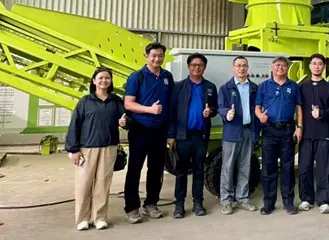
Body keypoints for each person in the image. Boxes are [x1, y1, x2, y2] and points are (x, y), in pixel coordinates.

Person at [65, 67, 127, 231]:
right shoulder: (85, 102)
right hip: (87, 149)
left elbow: (126, 119)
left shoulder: (115, 101)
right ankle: (82, 219)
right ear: (93, 81)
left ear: (111, 81)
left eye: (107, 78)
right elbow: (75, 125)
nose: (104, 81)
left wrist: (124, 122)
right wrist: (73, 149)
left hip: (109, 148)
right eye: (100, 78)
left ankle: (99, 217)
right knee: (83, 184)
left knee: (103, 184)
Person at [123, 42, 174, 223]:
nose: (157, 59)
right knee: (134, 169)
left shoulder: (167, 77)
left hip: (159, 131)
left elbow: (170, 105)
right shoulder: (136, 77)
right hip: (140, 129)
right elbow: (128, 103)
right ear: (146, 56)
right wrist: (149, 110)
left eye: (160, 55)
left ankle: (151, 203)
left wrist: (170, 133)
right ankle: (132, 207)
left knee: (156, 169)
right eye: (153, 55)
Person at [167, 53, 218, 218]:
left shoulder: (210, 87)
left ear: (204, 67)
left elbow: (215, 108)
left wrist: (210, 111)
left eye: (200, 65)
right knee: (181, 172)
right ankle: (179, 206)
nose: (197, 68)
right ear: (188, 67)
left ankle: (198, 203)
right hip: (182, 136)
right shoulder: (178, 87)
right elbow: (171, 113)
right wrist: (171, 135)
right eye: (193, 65)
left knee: (199, 171)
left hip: (200, 137)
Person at [255, 56, 303, 215]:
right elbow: (257, 107)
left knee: (288, 167)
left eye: (283, 65)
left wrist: (299, 127)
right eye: (277, 65)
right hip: (269, 130)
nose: (280, 67)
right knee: (268, 168)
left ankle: (288, 203)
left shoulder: (293, 86)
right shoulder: (264, 86)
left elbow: (299, 109)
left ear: (287, 68)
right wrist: (260, 116)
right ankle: (268, 203)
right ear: (272, 67)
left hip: (287, 130)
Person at [298, 54, 329, 214]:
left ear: (324, 67)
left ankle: (324, 200)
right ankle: (306, 199)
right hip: (306, 134)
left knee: (324, 169)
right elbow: (297, 109)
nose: (317, 66)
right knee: (304, 168)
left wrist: (321, 113)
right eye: (314, 63)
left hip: (324, 134)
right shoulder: (302, 87)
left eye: (320, 64)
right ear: (309, 66)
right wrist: (299, 127)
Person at [218, 55, 260, 215]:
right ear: (233, 68)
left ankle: (242, 198)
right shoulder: (225, 88)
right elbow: (220, 107)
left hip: (249, 131)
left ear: (247, 68)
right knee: (228, 167)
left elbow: (257, 109)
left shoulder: (254, 88)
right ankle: (226, 201)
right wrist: (226, 114)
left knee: (245, 166)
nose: (241, 68)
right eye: (238, 65)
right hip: (232, 132)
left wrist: (257, 131)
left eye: (244, 66)